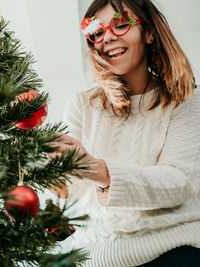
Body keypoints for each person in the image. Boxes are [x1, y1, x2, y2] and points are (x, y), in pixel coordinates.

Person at [48, 0, 200, 266]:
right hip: (97, 256)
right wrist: (53, 187)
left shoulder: (186, 100)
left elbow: (179, 183)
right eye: (97, 32)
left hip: (172, 248)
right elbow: (72, 197)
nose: (107, 38)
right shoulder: (82, 105)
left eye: (120, 25)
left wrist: (100, 171)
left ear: (149, 33)